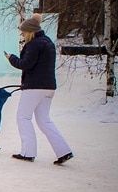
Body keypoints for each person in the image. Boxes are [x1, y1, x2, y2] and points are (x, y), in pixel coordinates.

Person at [5, 13, 73, 165]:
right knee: (44, 120)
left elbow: (25, 64)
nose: (22, 35)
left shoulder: (34, 44)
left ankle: (28, 152)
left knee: (23, 117)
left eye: (23, 32)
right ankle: (64, 151)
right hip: (49, 87)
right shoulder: (48, 42)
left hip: (34, 87)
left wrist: (11, 58)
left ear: (30, 31)